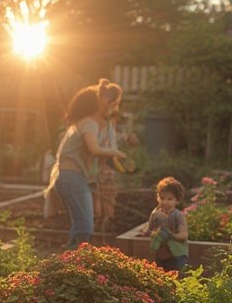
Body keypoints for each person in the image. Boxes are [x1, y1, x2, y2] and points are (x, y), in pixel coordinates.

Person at [44, 79, 127, 247]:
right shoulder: (89, 123)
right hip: (71, 177)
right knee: (85, 223)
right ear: (104, 103)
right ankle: (77, 260)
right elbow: (94, 149)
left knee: (81, 222)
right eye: (115, 104)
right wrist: (115, 152)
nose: (116, 109)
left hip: (71, 177)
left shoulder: (88, 123)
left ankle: (73, 259)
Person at [91, 102, 140, 233]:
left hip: (106, 167)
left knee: (106, 194)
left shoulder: (111, 130)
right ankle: (101, 220)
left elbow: (131, 141)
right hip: (102, 168)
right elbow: (104, 151)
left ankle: (105, 220)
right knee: (102, 194)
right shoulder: (103, 129)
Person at [141, 176, 189, 273]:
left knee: (174, 279)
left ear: (177, 200)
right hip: (160, 254)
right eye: (162, 198)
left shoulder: (178, 215)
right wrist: (148, 231)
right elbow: (150, 228)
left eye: (170, 199)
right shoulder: (156, 213)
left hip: (175, 255)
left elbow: (184, 235)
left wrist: (170, 235)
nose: (165, 202)